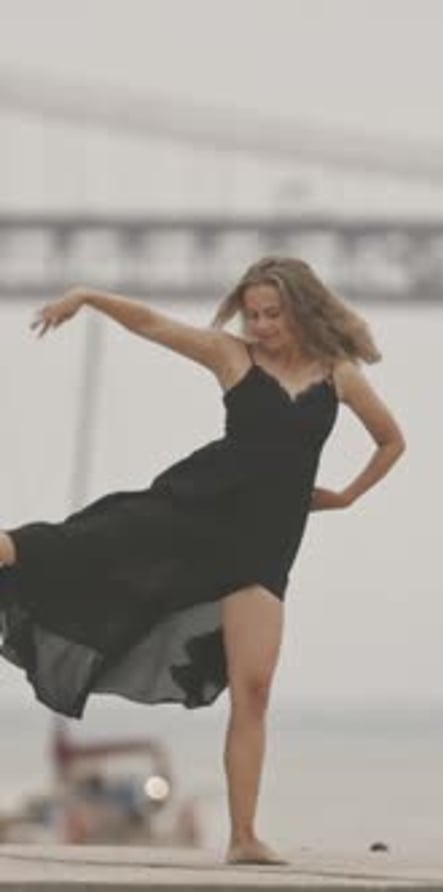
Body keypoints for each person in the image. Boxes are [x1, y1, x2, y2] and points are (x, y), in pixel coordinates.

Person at [0, 256, 406, 864]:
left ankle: (243, 837)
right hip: (190, 512)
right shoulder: (233, 356)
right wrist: (87, 295)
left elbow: (391, 439)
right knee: (72, 544)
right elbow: (156, 325)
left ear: (302, 309)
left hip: (263, 548)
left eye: (274, 313)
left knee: (254, 688)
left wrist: (346, 496)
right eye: (254, 314)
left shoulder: (337, 373)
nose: (263, 325)